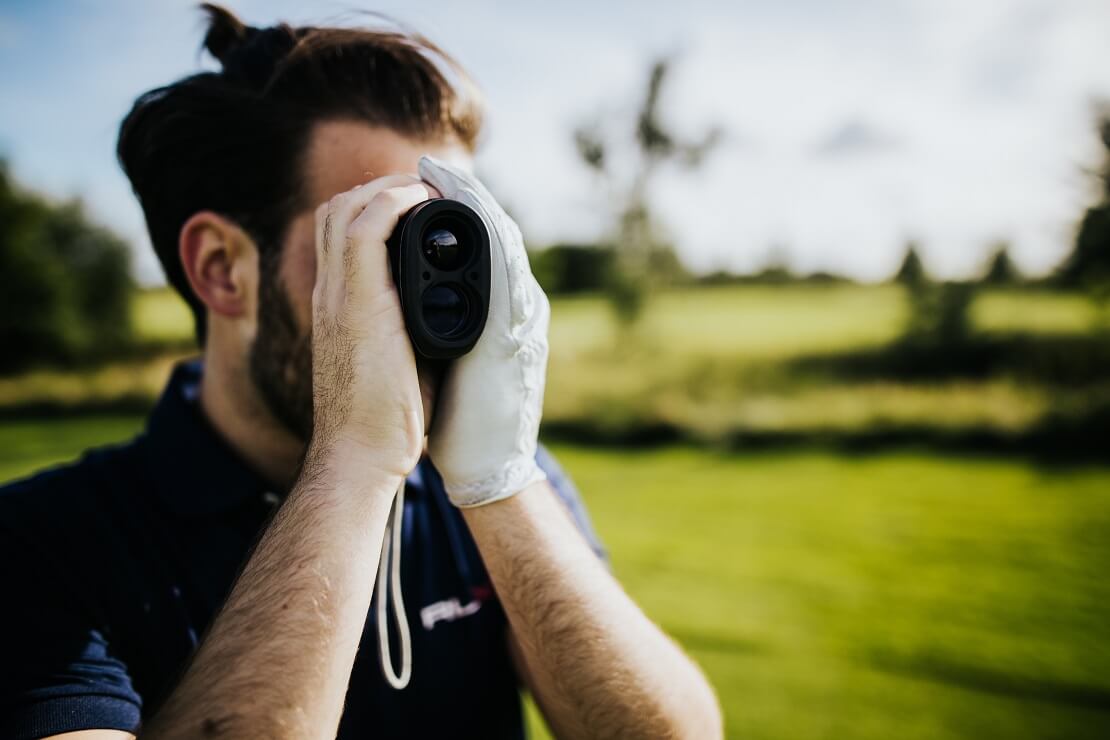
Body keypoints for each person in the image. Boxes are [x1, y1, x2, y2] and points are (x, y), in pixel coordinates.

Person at [0, 5, 721, 739]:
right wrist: (352, 462)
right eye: (376, 243)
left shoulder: (493, 482)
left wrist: (499, 483)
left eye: (448, 239)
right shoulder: (36, 545)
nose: (429, 293)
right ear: (223, 270)